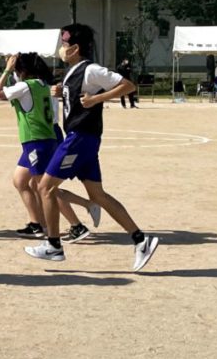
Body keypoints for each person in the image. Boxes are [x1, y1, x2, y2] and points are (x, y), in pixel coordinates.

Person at [26, 24, 159, 271]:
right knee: (97, 196)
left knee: (44, 187)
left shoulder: (91, 69)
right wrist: (62, 92)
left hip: (80, 138)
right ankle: (141, 240)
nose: (61, 49)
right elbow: (78, 98)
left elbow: (128, 85)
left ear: (75, 48)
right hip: (83, 138)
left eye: (64, 44)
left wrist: (97, 99)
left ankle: (53, 245)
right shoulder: (73, 72)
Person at [0, 52, 100, 243]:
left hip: (39, 138)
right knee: (20, 181)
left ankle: (77, 223)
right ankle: (37, 223)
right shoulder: (43, 85)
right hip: (44, 136)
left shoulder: (28, 86)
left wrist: (7, 69)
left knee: (44, 187)